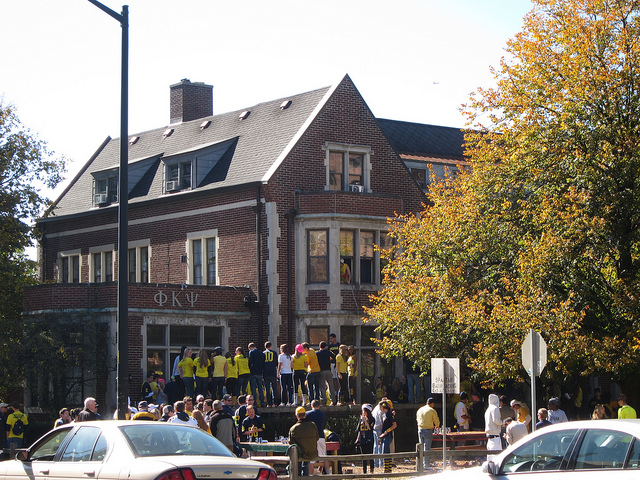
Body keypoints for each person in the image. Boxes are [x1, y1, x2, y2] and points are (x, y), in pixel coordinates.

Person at [289, 406, 318, 476]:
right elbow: (317, 438)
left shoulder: (293, 428)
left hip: (300, 455)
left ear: (296, 416)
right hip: (312, 453)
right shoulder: (313, 425)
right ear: (305, 415)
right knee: (305, 465)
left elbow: (291, 443)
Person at [306, 399, 330, 474]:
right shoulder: (323, 414)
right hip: (321, 437)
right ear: (319, 406)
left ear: (311, 406)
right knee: (324, 456)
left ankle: (311, 476)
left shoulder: (308, 414)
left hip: (312, 437)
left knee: (311, 459)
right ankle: (328, 473)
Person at [416, 397, 440, 469]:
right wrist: (437, 426)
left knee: (421, 447)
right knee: (427, 447)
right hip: (428, 430)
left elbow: (417, 419)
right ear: (432, 404)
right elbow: (436, 420)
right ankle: (426, 463)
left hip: (420, 429)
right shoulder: (432, 410)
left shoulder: (420, 409)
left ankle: (421, 463)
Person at [355, 404, 375, 473]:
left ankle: (372, 469)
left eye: (365, 411)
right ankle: (364, 470)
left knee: (370, 455)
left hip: (369, 439)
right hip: (362, 439)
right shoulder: (361, 419)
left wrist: (365, 421)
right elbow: (359, 430)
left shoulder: (372, 419)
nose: (363, 412)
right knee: (363, 456)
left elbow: (370, 428)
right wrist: (358, 439)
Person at [378, 401, 397, 473]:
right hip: (384, 436)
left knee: (386, 452)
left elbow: (394, 425)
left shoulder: (389, 414)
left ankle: (387, 470)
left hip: (388, 436)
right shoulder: (384, 414)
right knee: (386, 452)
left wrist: (386, 432)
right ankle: (387, 469)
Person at [248, 343, 266, 407]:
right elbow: (264, 363)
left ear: (250, 347)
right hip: (260, 372)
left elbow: (250, 362)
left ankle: (254, 403)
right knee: (260, 388)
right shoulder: (261, 353)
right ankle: (262, 402)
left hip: (253, 372)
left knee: (253, 388)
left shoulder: (251, 353)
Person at [263, 342, 279, 407]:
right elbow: (276, 363)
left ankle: (269, 403)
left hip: (265, 373)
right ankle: (275, 403)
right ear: (271, 346)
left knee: (267, 388)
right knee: (274, 388)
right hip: (273, 372)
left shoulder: (263, 353)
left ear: (265, 347)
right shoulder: (274, 353)